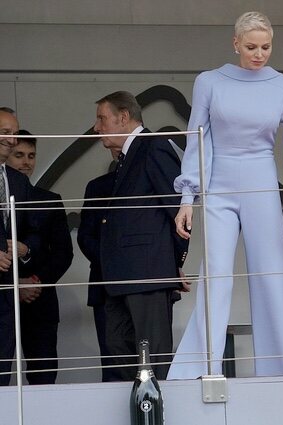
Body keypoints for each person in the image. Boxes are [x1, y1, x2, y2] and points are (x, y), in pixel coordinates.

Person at [168, 12, 283, 379]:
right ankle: (197, 370)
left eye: (266, 47)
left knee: (272, 275)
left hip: (261, 183)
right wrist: (187, 198)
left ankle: (277, 372)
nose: (259, 54)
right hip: (219, 186)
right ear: (236, 43)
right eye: (252, 47)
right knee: (216, 276)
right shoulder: (208, 82)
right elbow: (197, 141)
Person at [93, 90, 189, 381]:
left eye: (101, 119)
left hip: (148, 272)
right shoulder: (126, 157)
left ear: (123, 117)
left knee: (153, 358)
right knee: (118, 349)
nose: (97, 128)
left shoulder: (153, 146)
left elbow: (179, 211)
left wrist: (173, 263)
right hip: (120, 277)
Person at [7, 131, 74, 384]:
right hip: (4, 300)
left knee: (44, 378)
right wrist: (15, 287)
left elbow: (62, 253)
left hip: (40, 300)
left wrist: (34, 281)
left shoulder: (49, 200)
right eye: (19, 155)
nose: (26, 162)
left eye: (31, 156)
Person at [0, 109, 40, 386]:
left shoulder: (18, 182)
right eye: (5, 132)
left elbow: (36, 230)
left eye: (14, 133)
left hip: (6, 296)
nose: (11, 140)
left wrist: (25, 250)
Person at [77, 147, 119, 382]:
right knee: (112, 363)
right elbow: (85, 237)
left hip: (147, 286)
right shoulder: (98, 187)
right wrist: (114, 262)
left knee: (150, 363)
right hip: (105, 286)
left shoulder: (155, 184)